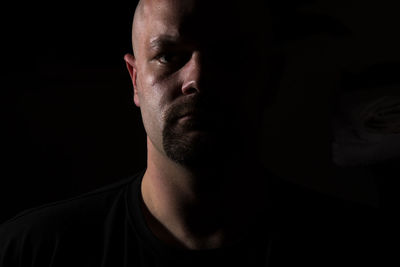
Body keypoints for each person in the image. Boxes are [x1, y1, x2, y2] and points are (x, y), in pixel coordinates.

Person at [0, 0, 379, 266]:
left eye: (228, 56)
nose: (198, 78)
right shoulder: (32, 250)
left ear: (269, 77)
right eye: (168, 55)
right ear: (135, 79)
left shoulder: (356, 244)